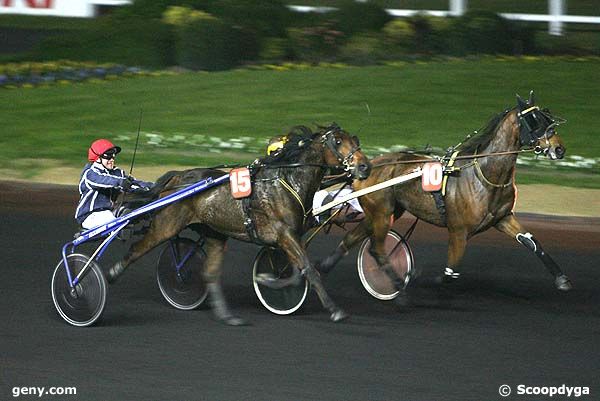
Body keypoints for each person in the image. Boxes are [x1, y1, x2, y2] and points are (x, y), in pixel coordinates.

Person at [75, 139, 153, 229]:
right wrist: (121, 182)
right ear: (97, 158)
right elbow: (104, 180)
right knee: (116, 220)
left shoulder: (117, 172)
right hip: (89, 216)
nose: (112, 160)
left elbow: (132, 183)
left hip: (108, 212)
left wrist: (152, 186)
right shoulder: (90, 173)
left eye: (113, 156)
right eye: (108, 157)